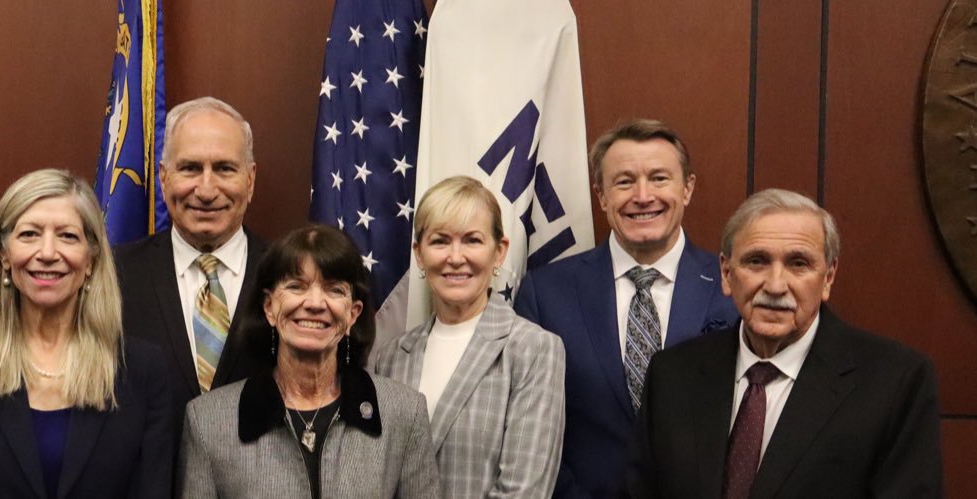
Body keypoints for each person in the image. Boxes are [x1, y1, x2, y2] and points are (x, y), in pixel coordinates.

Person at [627, 188, 943, 498]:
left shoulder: (895, 382)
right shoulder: (672, 374)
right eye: (756, 261)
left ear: (828, 277)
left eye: (798, 264)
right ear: (726, 273)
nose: (776, 285)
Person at [512, 118, 738, 498]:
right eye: (624, 181)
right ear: (601, 196)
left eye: (659, 178)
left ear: (687, 189)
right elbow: (525, 424)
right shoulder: (544, 293)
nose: (643, 195)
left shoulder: (732, 290)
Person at [0, 168, 175, 498]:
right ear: (4, 256)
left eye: (68, 236)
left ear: (91, 260)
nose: (48, 253)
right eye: (29, 234)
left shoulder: (141, 369)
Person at [179, 225, 439, 499]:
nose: (315, 303)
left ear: (353, 313)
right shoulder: (207, 422)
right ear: (269, 308)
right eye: (296, 286)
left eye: (334, 289)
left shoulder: (404, 414)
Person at [374, 176, 565, 498]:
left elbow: (524, 491)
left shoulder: (533, 350)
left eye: (472, 240)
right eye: (440, 241)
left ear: (499, 251)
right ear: (419, 254)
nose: (455, 257)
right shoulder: (391, 356)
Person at [115, 96, 268, 408]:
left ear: (250, 180)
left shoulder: (286, 275)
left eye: (225, 169)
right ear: (163, 177)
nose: (207, 190)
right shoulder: (114, 275)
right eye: (190, 168)